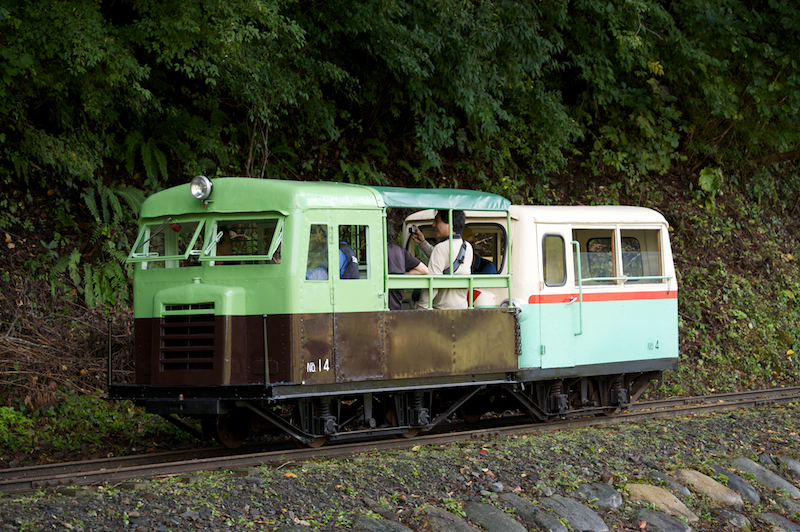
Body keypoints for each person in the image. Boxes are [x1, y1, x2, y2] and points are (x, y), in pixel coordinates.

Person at [410, 210, 473, 310]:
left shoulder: (441, 248)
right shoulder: (467, 246)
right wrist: (423, 243)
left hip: (441, 313)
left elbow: (432, 285)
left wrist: (420, 309)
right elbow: (447, 260)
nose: (433, 225)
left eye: (437, 221)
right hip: (462, 309)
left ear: (451, 225)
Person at [387, 223, 428, 310]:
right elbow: (424, 270)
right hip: (396, 306)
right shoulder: (399, 250)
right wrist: (404, 274)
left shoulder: (369, 251)